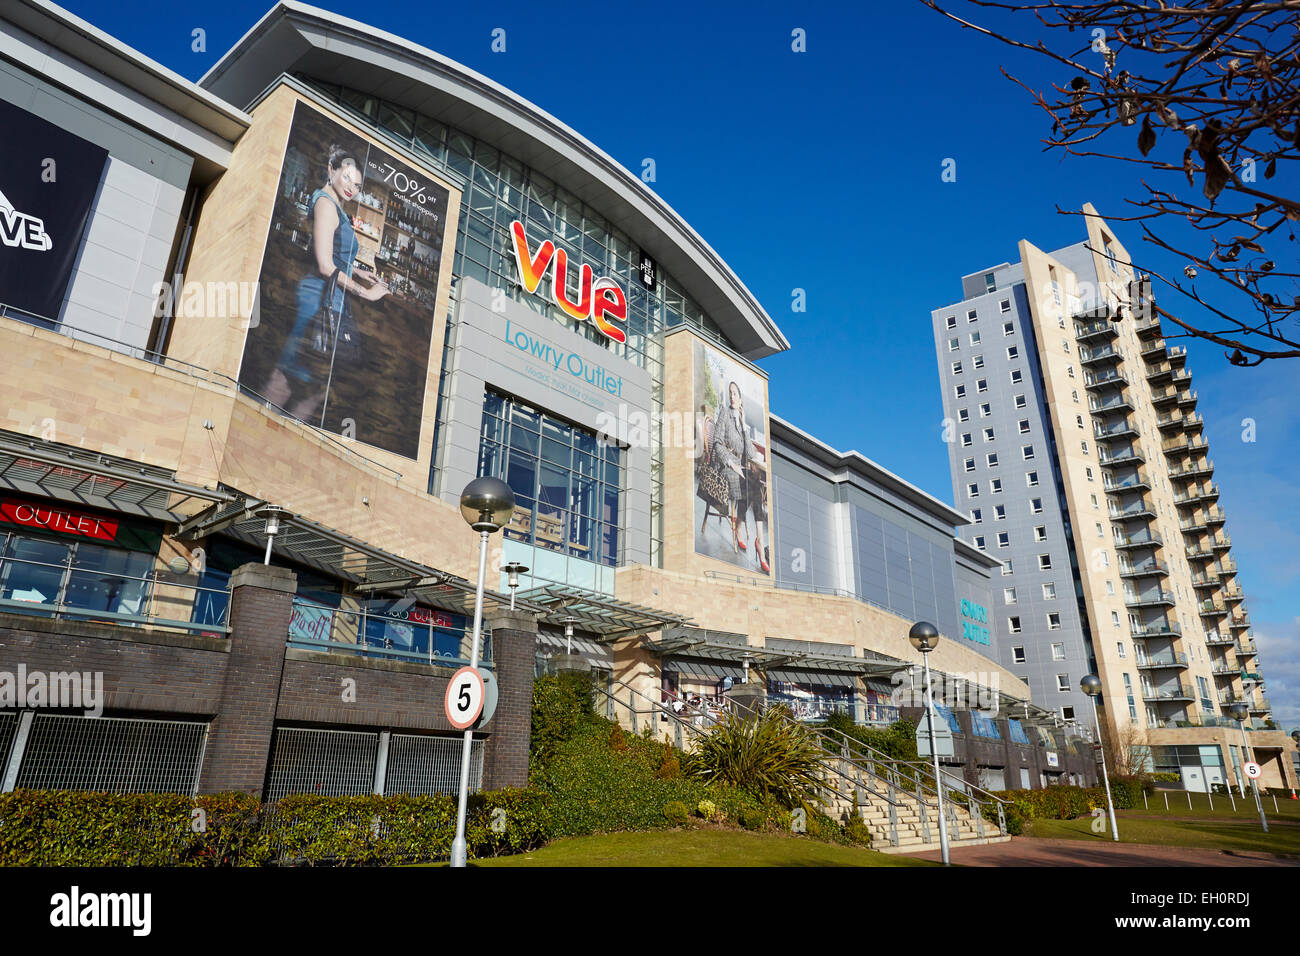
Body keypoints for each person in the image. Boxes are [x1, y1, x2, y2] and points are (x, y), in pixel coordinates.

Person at [264, 144, 390, 420]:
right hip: (317, 299)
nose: (351, 188)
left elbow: (334, 254)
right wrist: (366, 294)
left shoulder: (336, 208)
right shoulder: (326, 204)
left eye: (357, 185)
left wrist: (357, 272)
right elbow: (325, 264)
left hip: (331, 299)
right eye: (346, 178)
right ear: (330, 170)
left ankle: (283, 442)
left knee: (315, 384)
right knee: (287, 378)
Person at [710, 380, 770, 572]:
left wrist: (744, 426)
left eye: (735, 393)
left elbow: (750, 453)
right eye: (730, 393)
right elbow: (717, 443)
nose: (732, 396)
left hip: (740, 469)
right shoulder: (725, 415)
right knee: (750, 484)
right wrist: (731, 463)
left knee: (753, 483)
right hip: (723, 466)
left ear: (741, 398)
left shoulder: (741, 419)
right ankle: (749, 535)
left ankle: (759, 539)